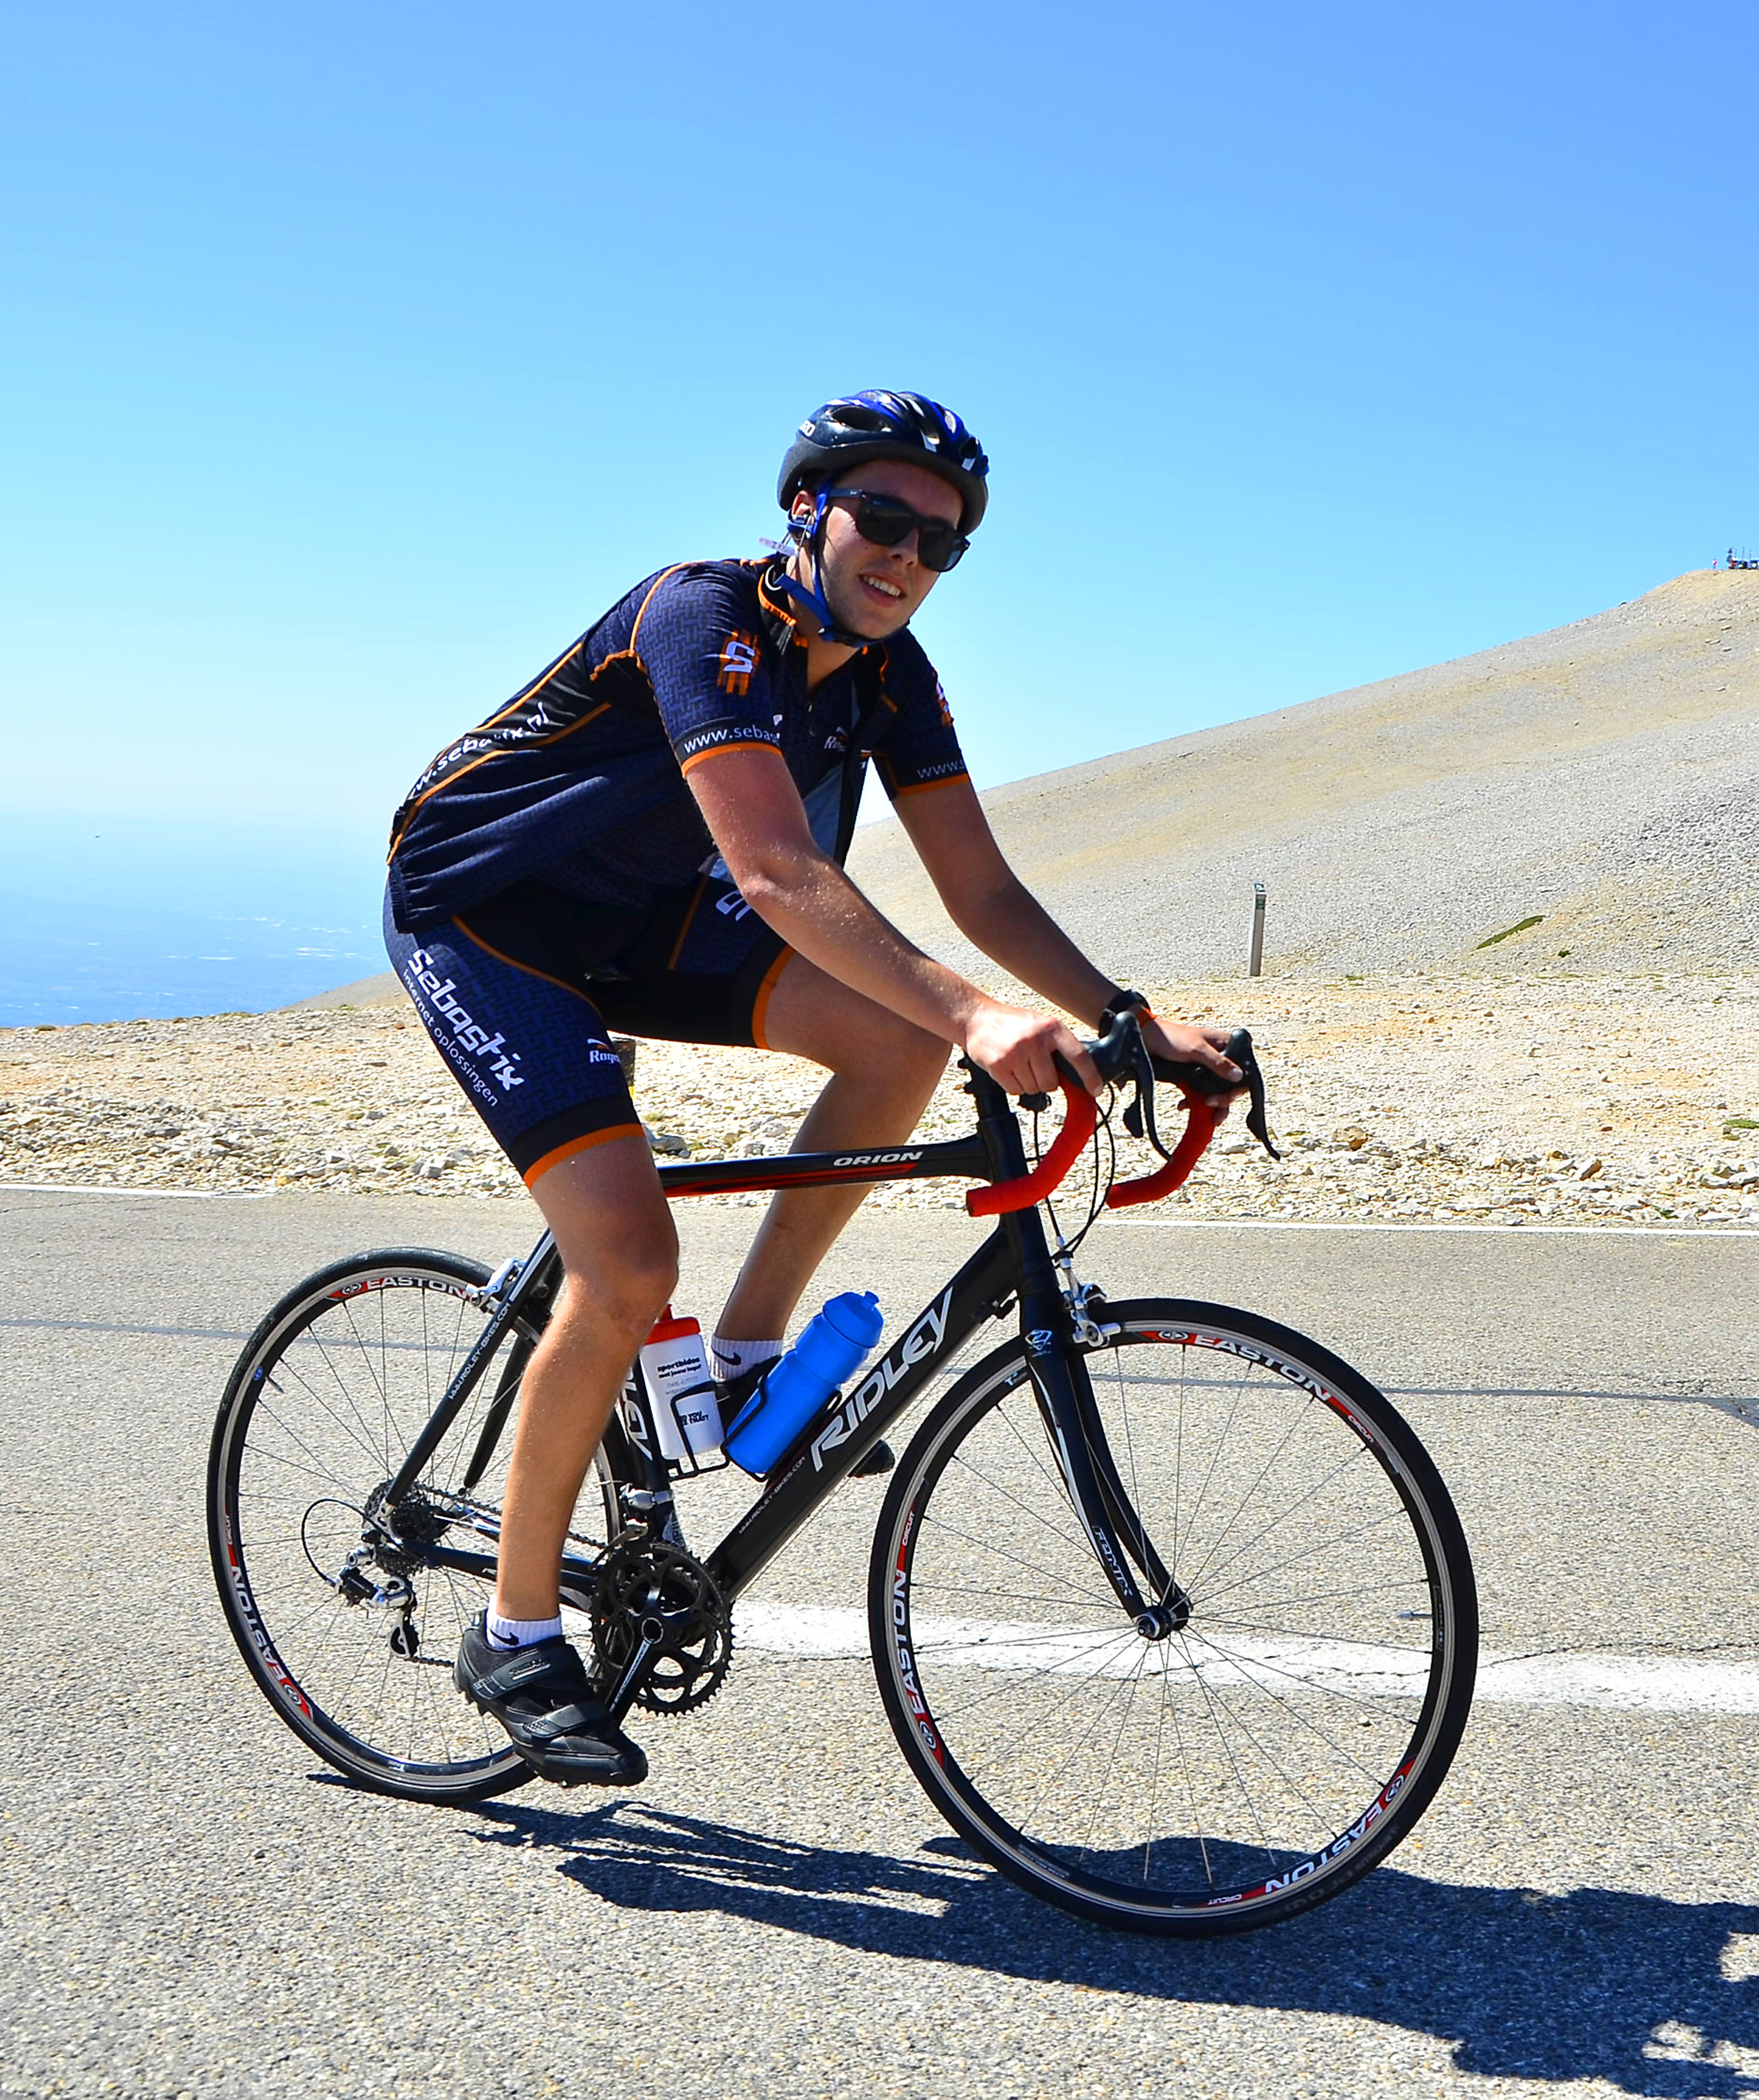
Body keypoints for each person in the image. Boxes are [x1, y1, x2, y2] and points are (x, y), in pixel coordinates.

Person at [381, 389, 1242, 1785]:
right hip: (491, 917)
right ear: (809, 510)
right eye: (885, 520)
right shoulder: (701, 617)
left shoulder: (895, 676)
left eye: (942, 544)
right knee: (625, 1258)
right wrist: (976, 1014)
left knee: (895, 1046)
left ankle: (736, 1359)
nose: (908, 557)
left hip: (652, 923)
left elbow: (981, 887)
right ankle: (514, 1628)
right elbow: (781, 875)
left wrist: (1129, 1019)